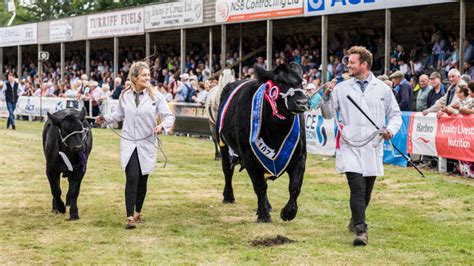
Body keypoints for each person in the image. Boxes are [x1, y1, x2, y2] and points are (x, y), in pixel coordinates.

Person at [320, 46, 402, 246]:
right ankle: (361, 230)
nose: (348, 65)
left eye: (352, 62)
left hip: (373, 145)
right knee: (356, 188)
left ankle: (355, 218)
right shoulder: (341, 88)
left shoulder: (383, 89)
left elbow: (395, 115)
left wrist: (390, 130)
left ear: (364, 64)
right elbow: (328, 114)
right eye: (348, 62)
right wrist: (326, 95)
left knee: (366, 190)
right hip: (350, 145)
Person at [95, 62, 175, 229]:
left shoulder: (156, 96)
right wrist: (105, 118)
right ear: (135, 78)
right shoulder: (125, 95)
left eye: (148, 75)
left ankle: (138, 211)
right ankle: (130, 216)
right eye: (144, 75)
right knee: (132, 177)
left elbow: (169, 116)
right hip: (129, 141)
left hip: (147, 143)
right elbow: (119, 114)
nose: (148, 78)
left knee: (142, 178)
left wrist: (162, 126)